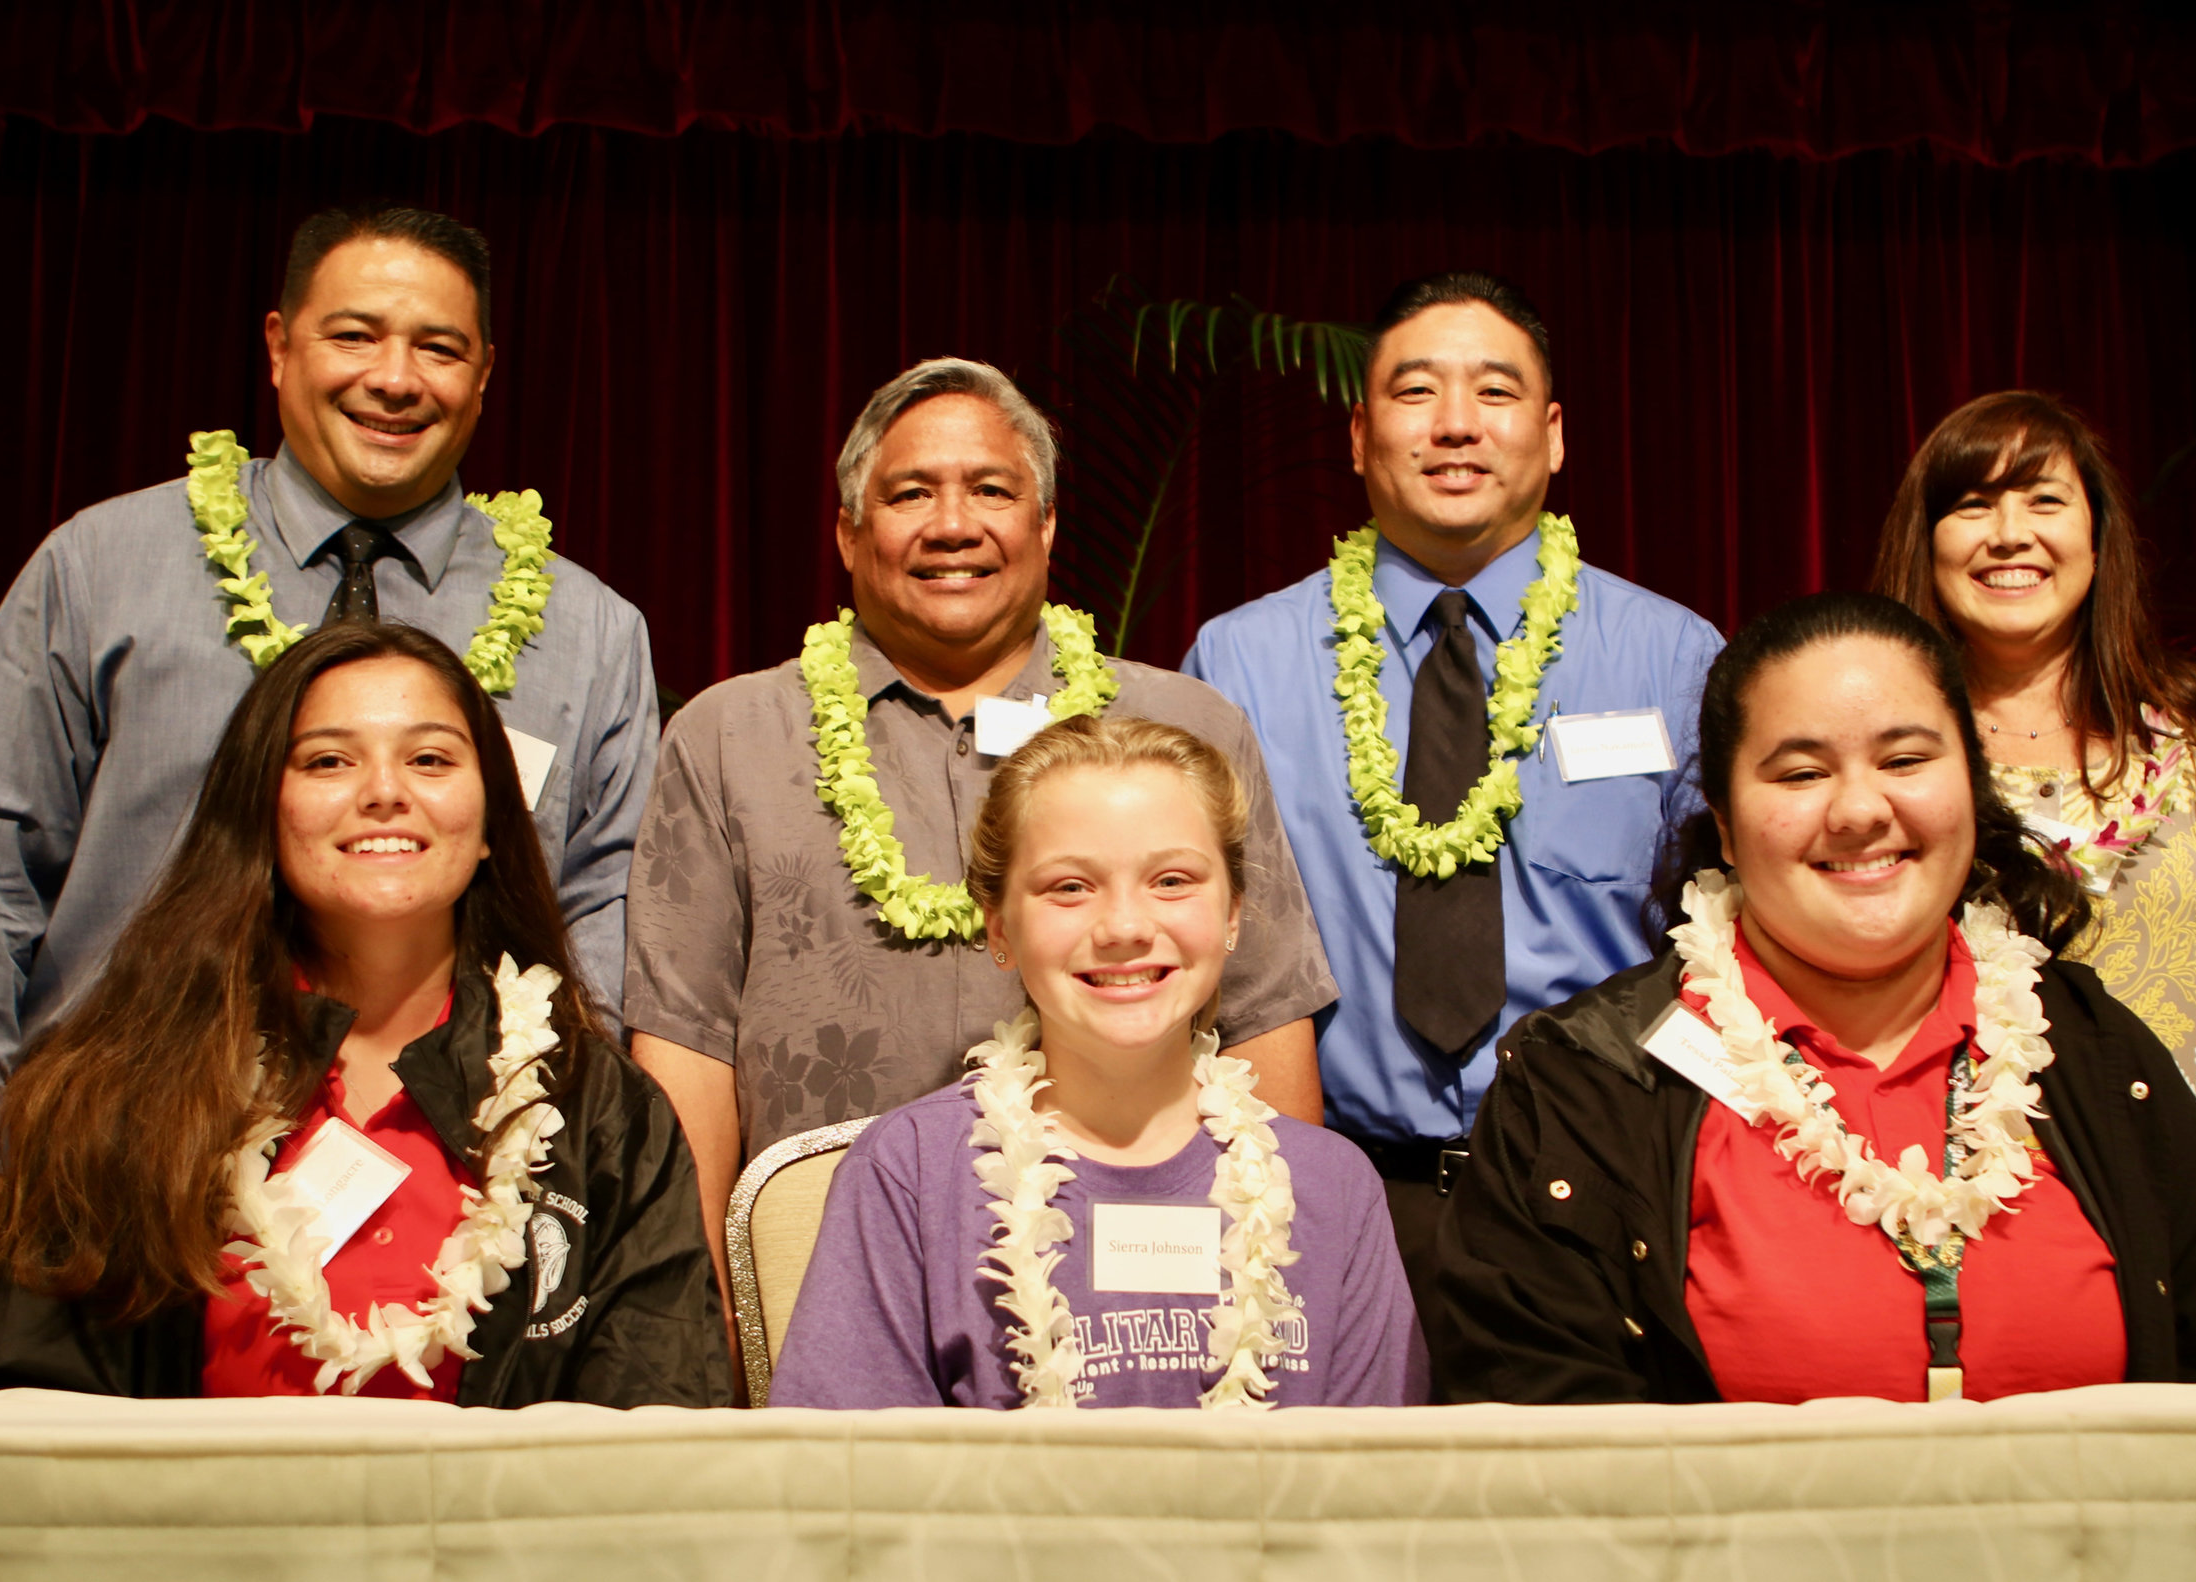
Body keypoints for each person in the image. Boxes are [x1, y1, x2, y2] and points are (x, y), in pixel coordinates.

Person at [0, 203, 659, 1342]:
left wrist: (550, 1163)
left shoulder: (589, 632)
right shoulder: (98, 571)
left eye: (438, 347)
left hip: (450, 1220)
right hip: (108, 1190)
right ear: (277, 346)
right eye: (354, 335)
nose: (395, 378)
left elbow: (598, 920)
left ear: (485, 374)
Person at [1432, 592, 2196, 1405]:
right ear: (1726, 823)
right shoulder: (1586, 1086)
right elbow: (1539, 1472)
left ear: (1970, 786)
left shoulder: (2096, 1056)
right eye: (1798, 773)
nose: (1860, 809)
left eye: (1905, 757)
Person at [627, 358, 1338, 1330]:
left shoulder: (1185, 727)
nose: (953, 523)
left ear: (1044, 524)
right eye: (910, 492)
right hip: (821, 1292)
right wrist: (699, 1338)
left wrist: (1290, 1297)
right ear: (847, 531)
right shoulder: (726, 738)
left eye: (992, 490)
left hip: (1148, 1288)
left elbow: (1264, 1020)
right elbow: (685, 1057)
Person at [0, 623, 725, 1405]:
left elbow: (655, 1430)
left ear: (490, 824)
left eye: (431, 758)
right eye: (330, 760)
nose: (384, 792)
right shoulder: (115, 1089)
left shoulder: (600, 1108)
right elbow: (10, 1431)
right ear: (263, 811)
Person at [1182, 273, 1723, 1317]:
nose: (1457, 425)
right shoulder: (1235, 666)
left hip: (1605, 1197)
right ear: (1359, 433)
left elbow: (1724, 947)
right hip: (1333, 1199)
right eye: (1417, 391)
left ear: (1553, 433)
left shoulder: (1674, 658)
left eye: (1497, 392)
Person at [1871, 390, 2196, 1369]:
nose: (2009, 534)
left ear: (2097, 535)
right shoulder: (1886, 765)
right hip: (1963, 1257)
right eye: (1971, 504)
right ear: (1925, 545)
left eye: (2042, 500)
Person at [771, 717, 1422, 1409]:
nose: (1124, 928)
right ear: (998, 926)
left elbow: (1374, 1494)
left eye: (1172, 879)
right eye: (1070, 887)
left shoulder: (1334, 1188)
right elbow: (848, 1491)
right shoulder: (908, 1173)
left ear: (1233, 911)